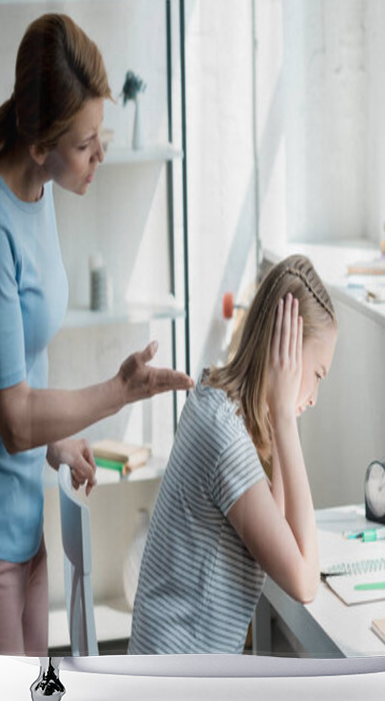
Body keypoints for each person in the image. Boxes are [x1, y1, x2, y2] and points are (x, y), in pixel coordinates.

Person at [0, 13, 194, 657]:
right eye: (85, 143)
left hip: (25, 525)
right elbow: (14, 417)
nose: (100, 153)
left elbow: (20, 369)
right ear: (42, 142)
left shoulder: (39, 189)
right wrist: (119, 390)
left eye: (99, 135)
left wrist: (63, 442)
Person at [128, 254, 337, 654]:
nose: (314, 397)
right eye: (317, 375)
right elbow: (304, 583)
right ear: (287, 354)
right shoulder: (224, 439)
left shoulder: (211, 398)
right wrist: (284, 419)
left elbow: (277, 533)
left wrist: (278, 423)